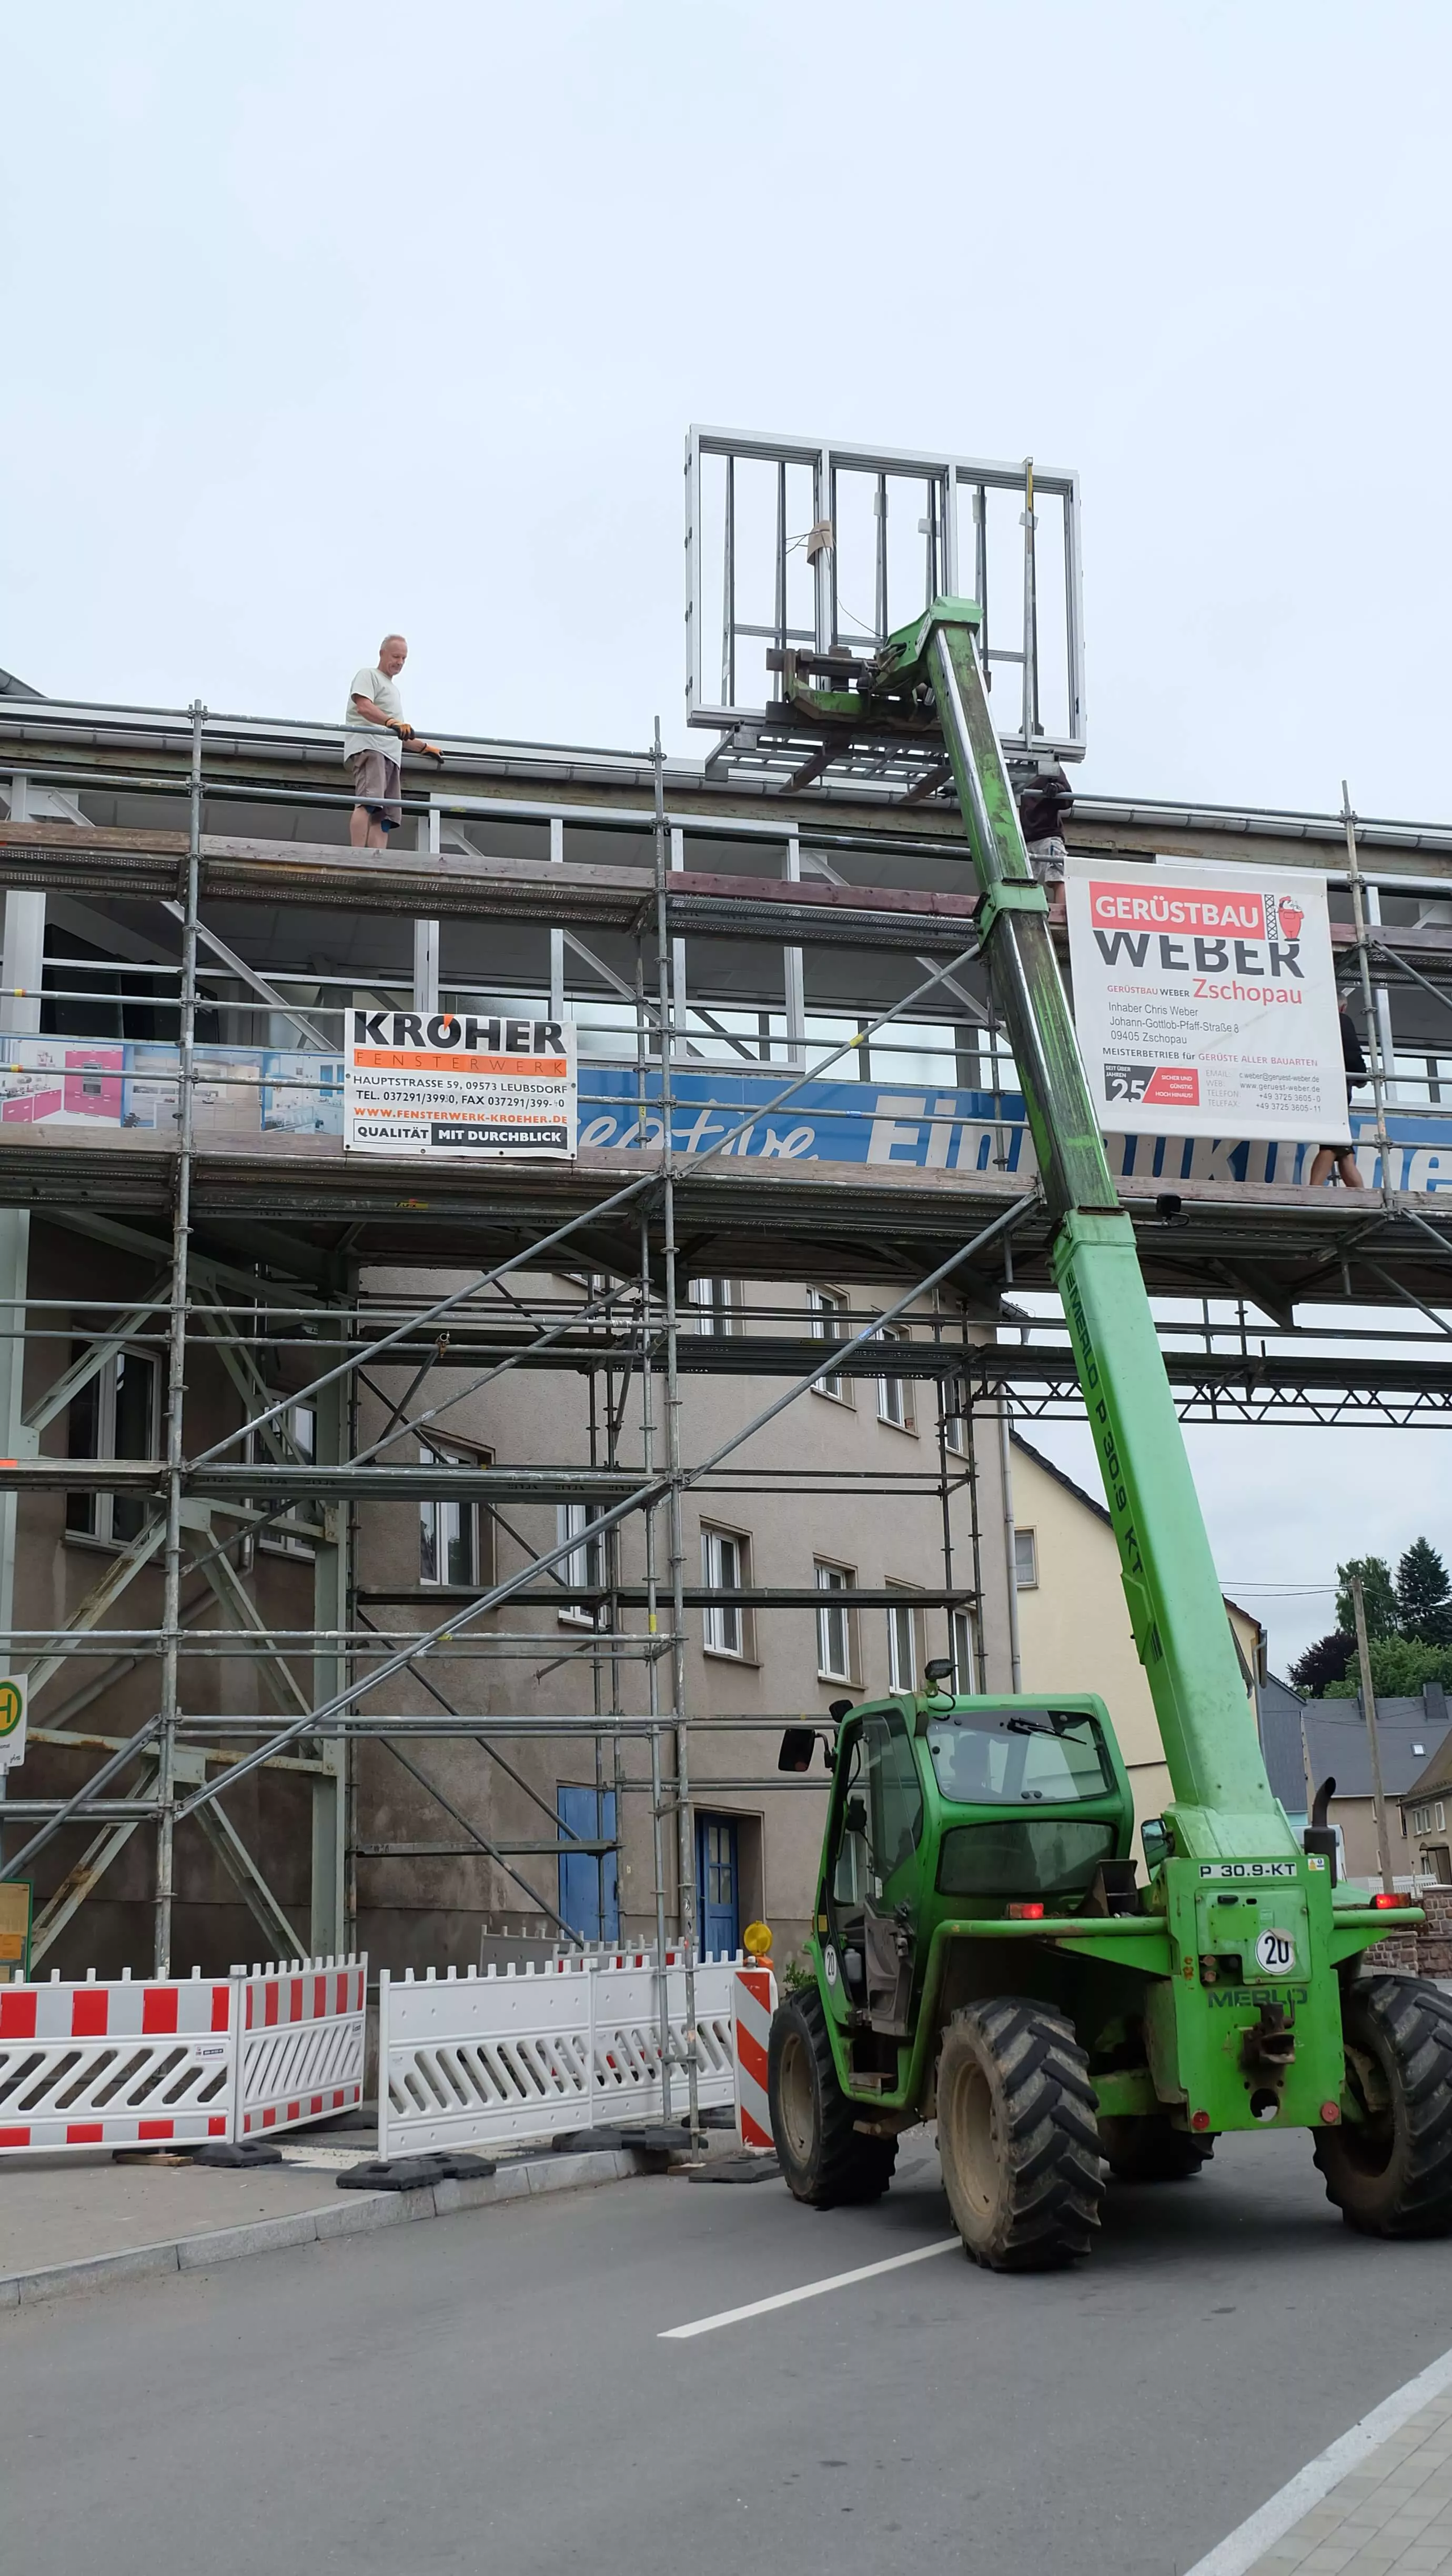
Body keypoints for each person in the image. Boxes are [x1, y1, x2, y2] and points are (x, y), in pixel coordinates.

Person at [344, 635, 416, 849]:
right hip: (371, 747)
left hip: (392, 757)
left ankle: (378, 861)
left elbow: (399, 733)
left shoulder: (394, 690)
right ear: (382, 653)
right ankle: (357, 856)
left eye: (404, 658)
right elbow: (364, 706)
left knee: (386, 817)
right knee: (368, 802)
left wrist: (424, 748)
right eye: (396, 656)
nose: (400, 662)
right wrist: (391, 721)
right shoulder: (369, 675)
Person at [1306, 1003, 1369, 1188]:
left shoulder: (1312, 1021)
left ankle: (1315, 1192)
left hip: (1321, 1086)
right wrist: (1360, 1076)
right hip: (1337, 1087)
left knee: (1338, 1147)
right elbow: (1351, 1052)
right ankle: (1316, 1192)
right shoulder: (1341, 1020)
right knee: (1338, 1147)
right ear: (1343, 1007)